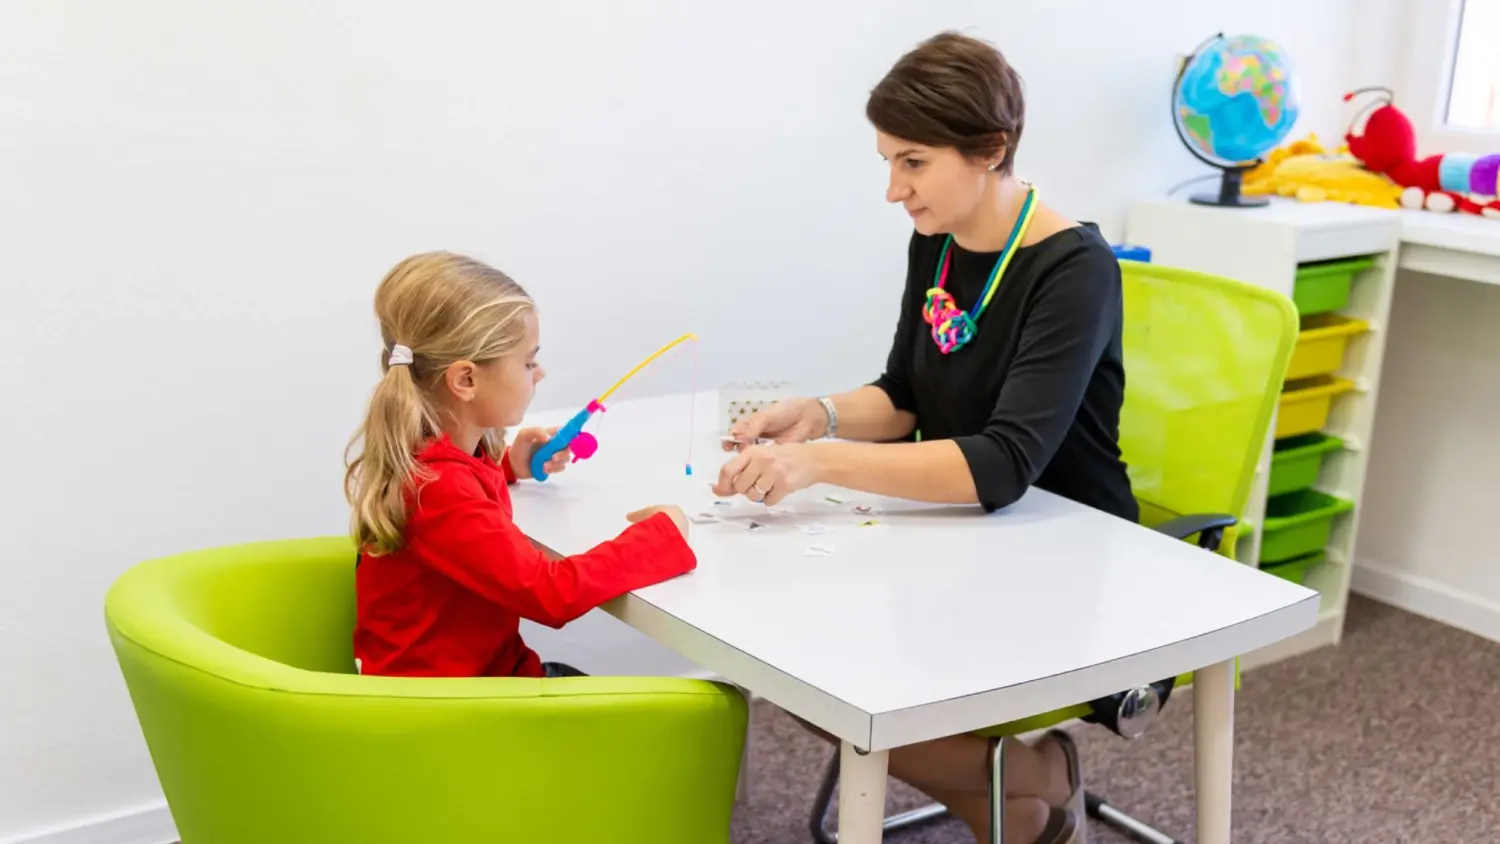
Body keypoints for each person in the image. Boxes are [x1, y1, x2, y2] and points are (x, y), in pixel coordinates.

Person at [714, 31, 1136, 844]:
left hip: (1065, 547)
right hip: (968, 535)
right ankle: (1016, 801)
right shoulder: (935, 243)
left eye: (912, 162)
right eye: (888, 163)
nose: (892, 190)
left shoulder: (1075, 268)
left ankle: (1039, 777)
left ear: (990, 149)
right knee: (788, 656)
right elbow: (907, 395)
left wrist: (818, 463)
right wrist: (819, 416)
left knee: (830, 673)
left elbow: (1006, 464)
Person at [347, 250, 695, 680]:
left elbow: (459, 512)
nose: (540, 372)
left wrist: (512, 465)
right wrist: (659, 537)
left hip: (472, 679)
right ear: (466, 380)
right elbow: (550, 594)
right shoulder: (437, 487)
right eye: (528, 361)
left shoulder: (433, 459)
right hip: (448, 708)